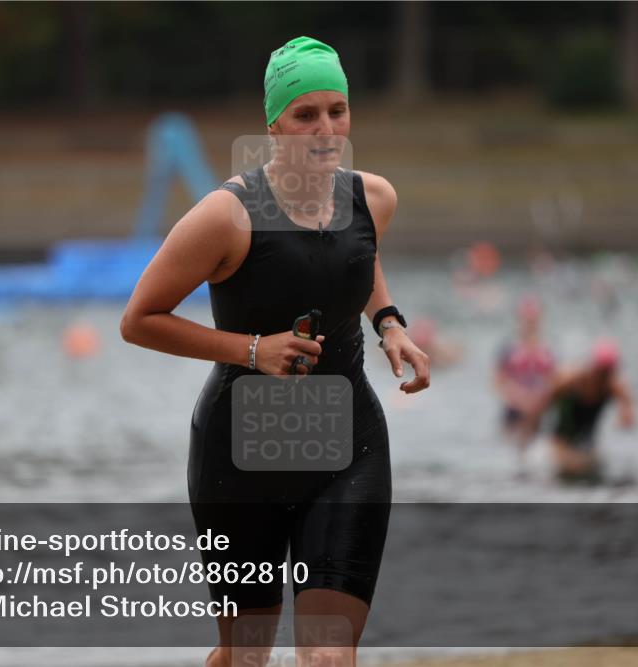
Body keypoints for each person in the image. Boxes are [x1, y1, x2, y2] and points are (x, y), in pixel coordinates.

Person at [121, 36, 430, 667]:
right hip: (240, 454)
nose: (325, 129)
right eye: (305, 115)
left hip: (349, 443)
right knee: (246, 656)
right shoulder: (224, 217)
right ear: (274, 124)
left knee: (326, 655)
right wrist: (252, 349)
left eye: (337, 111)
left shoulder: (374, 199)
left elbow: (355, 263)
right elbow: (139, 320)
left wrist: (390, 323)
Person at [527, 338, 635, 483]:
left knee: (592, 464)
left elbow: (628, 407)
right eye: (601, 372)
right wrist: (533, 425)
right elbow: (544, 400)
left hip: (587, 438)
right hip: (561, 436)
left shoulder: (613, 385)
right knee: (570, 466)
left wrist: (625, 416)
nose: (603, 377)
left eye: (608, 373)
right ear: (594, 367)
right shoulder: (572, 380)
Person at [493, 296, 555, 452]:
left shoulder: (548, 350)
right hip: (514, 409)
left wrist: (539, 400)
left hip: (539, 409)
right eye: (527, 318)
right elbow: (497, 381)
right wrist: (519, 398)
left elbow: (555, 380)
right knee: (511, 447)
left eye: (533, 318)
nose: (530, 322)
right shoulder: (509, 348)